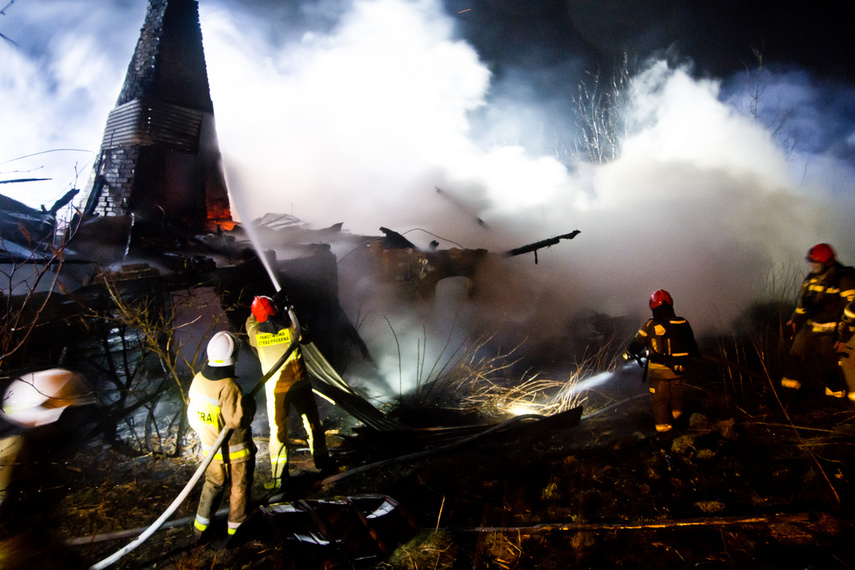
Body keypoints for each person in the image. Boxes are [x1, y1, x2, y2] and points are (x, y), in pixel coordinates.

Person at [246, 294, 330, 491]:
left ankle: (278, 478)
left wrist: (261, 308)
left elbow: (249, 322)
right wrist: (287, 309)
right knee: (312, 424)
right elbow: (306, 333)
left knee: (278, 432)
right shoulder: (292, 331)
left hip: (276, 390)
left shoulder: (256, 335)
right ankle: (323, 463)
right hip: (300, 383)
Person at [187, 331, 256, 540]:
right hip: (236, 453)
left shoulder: (198, 380)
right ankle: (236, 533)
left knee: (212, 486)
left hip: (210, 451)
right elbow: (236, 420)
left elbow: (193, 416)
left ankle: (200, 530)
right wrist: (249, 405)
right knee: (239, 489)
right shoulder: (229, 386)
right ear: (232, 359)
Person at [781, 243, 855, 399]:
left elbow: (852, 311)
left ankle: (835, 402)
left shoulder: (843, 279)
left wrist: (844, 338)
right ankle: (787, 397)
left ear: (827, 262)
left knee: (830, 367)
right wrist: (793, 320)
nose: (811, 265)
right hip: (811, 328)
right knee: (795, 359)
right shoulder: (811, 279)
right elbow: (802, 305)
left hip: (833, 332)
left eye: (815, 262)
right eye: (811, 261)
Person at [624, 289, 701, 435]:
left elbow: (635, 345)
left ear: (652, 306)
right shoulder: (683, 323)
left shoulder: (649, 326)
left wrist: (628, 354)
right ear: (671, 304)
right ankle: (680, 422)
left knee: (660, 401)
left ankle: (665, 432)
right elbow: (694, 348)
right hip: (679, 371)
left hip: (659, 373)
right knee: (677, 398)